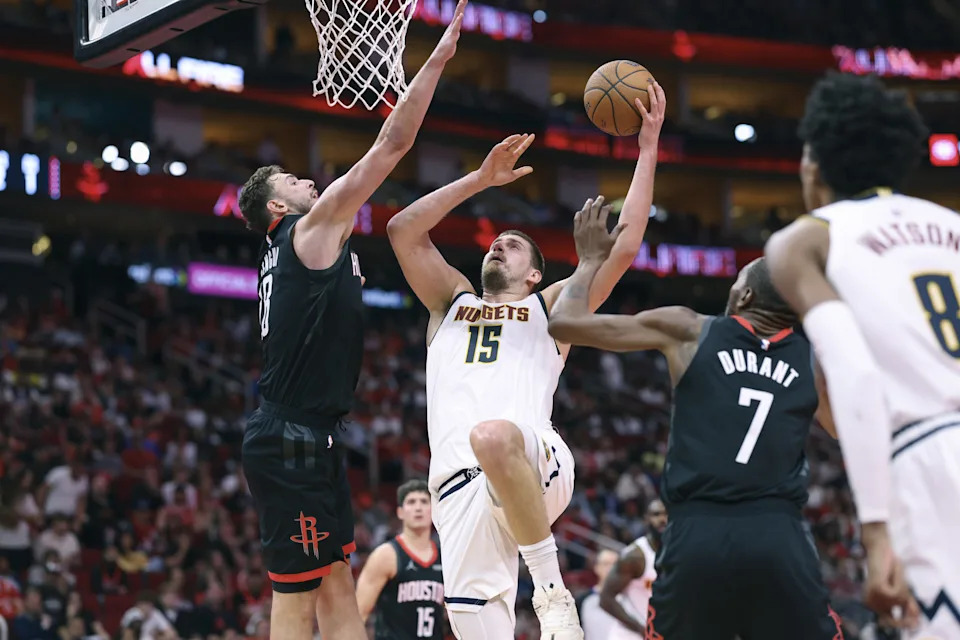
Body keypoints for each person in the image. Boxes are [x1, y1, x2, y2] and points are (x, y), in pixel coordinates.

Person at [386, 81, 666, 640]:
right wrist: (479, 180)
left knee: (492, 435)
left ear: (535, 273)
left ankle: (551, 591)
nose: (498, 245)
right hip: (457, 492)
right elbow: (402, 229)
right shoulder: (450, 303)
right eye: (497, 242)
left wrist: (649, 147)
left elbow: (626, 245)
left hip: (534, 461)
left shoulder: (550, 306)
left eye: (513, 245)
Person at [236, 2, 468, 637]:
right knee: (296, 595)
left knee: (337, 581)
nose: (309, 180)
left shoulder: (296, 253)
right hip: (291, 438)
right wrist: (438, 59)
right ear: (278, 205)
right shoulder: (306, 231)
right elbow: (394, 142)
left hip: (314, 434)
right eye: (293, 178)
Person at [548, 203, 842, 640]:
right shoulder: (811, 362)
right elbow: (852, 437)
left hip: (698, 530)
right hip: (778, 534)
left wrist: (591, 261)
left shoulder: (690, 329)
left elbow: (565, 324)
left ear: (744, 297)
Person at [765, 71, 959, 638]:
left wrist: (876, 532)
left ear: (815, 164)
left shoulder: (806, 241)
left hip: (931, 458)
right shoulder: (952, 224)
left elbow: (852, 371)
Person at [356, 479, 445, 640]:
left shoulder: (444, 557)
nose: (418, 508)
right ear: (400, 512)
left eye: (424, 502)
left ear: (433, 509)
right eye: (411, 502)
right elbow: (358, 614)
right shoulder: (385, 555)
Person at [599, 500, 667, 639]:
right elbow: (605, 599)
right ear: (646, 519)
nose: (662, 519)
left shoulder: (674, 552)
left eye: (666, 514)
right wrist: (640, 628)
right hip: (630, 635)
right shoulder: (635, 556)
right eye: (656, 514)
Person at [577, 549, 618, 640]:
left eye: (615, 564)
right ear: (597, 567)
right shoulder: (583, 600)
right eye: (606, 564)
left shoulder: (629, 597)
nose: (611, 568)